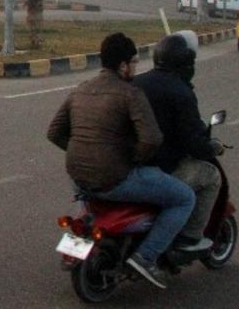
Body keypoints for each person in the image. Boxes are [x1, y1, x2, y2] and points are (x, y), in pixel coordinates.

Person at [47, 32, 195, 290]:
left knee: (90, 213)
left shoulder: (81, 89)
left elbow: (54, 133)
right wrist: (134, 158)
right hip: (115, 179)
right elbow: (152, 139)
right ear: (123, 65)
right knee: (184, 198)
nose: (136, 68)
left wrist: (79, 149)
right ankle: (145, 257)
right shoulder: (130, 93)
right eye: (134, 62)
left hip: (78, 179)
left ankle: (78, 249)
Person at [133, 30, 224, 253]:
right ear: (186, 64)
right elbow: (192, 140)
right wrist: (209, 147)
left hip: (128, 164)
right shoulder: (181, 92)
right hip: (161, 168)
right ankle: (190, 235)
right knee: (211, 176)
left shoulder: (135, 83)